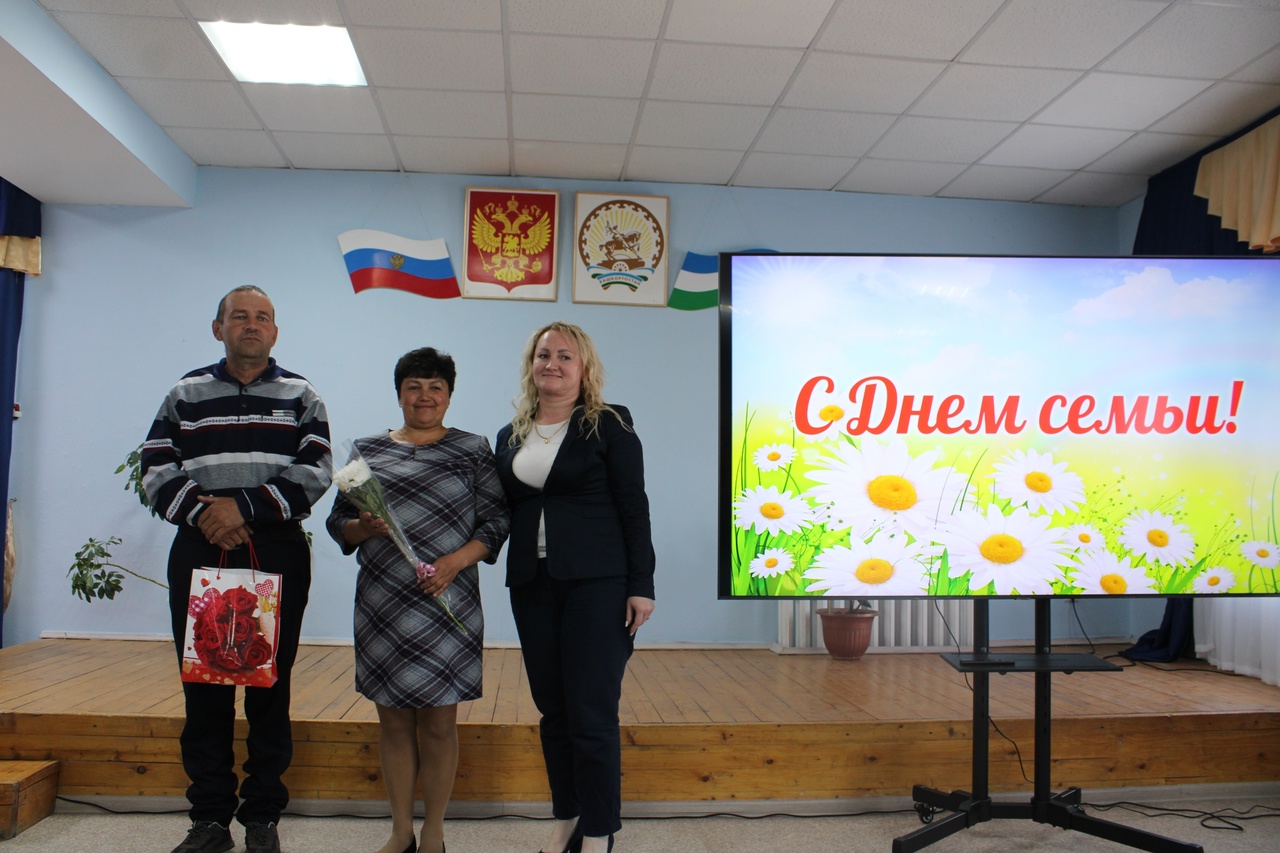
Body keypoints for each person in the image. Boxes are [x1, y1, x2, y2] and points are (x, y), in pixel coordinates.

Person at [141, 286, 333, 853]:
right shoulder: (185, 394)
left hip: (273, 550)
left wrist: (243, 508)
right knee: (204, 685)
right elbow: (155, 467)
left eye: (262, 317)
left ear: (275, 332)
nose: (251, 325)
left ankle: (263, 818)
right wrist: (208, 516)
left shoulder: (301, 395)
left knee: (268, 684)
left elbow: (317, 470)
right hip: (202, 548)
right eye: (240, 316)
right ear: (217, 327)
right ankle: (209, 820)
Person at [326, 347, 509, 853]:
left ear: (449, 396)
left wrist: (454, 562)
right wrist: (362, 526)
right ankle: (400, 830)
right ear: (399, 393)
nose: (424, 396)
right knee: (392, 719)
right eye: (414, 386)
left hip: (449, 599)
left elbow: (497, 520)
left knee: (440, 720)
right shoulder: (366, 450)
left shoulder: (472, 449)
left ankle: (435, 832)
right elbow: (337, 522)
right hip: (383, 603)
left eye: (435, 387)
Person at [495, 322, 656, 853]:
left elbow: (634, 506)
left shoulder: (610, 424)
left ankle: (600, 828)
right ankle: (567, 817)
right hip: (532, 583)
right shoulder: (510, 434)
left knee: (591, 712)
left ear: (584, 368)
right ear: (531, 365)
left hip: (599, 584)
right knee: (554, 712)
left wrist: (641, 584)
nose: (553, 364)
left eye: (566, 356)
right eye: (544, 355)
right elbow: (501, 509)